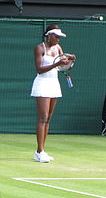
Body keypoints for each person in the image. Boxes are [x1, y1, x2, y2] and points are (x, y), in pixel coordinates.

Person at [31, 24, 76, 162]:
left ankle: (41, 151)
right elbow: (39, 69)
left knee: (48, 119)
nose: (58, 39)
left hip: (54, 83)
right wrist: (56, 65)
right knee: (42, 118)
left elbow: (63, 66)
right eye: (56, 36)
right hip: (42, 83)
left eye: (59, 37)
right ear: (49, 35)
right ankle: (39, 151)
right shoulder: (39, 48)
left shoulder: (58, 48)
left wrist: (70, 61)